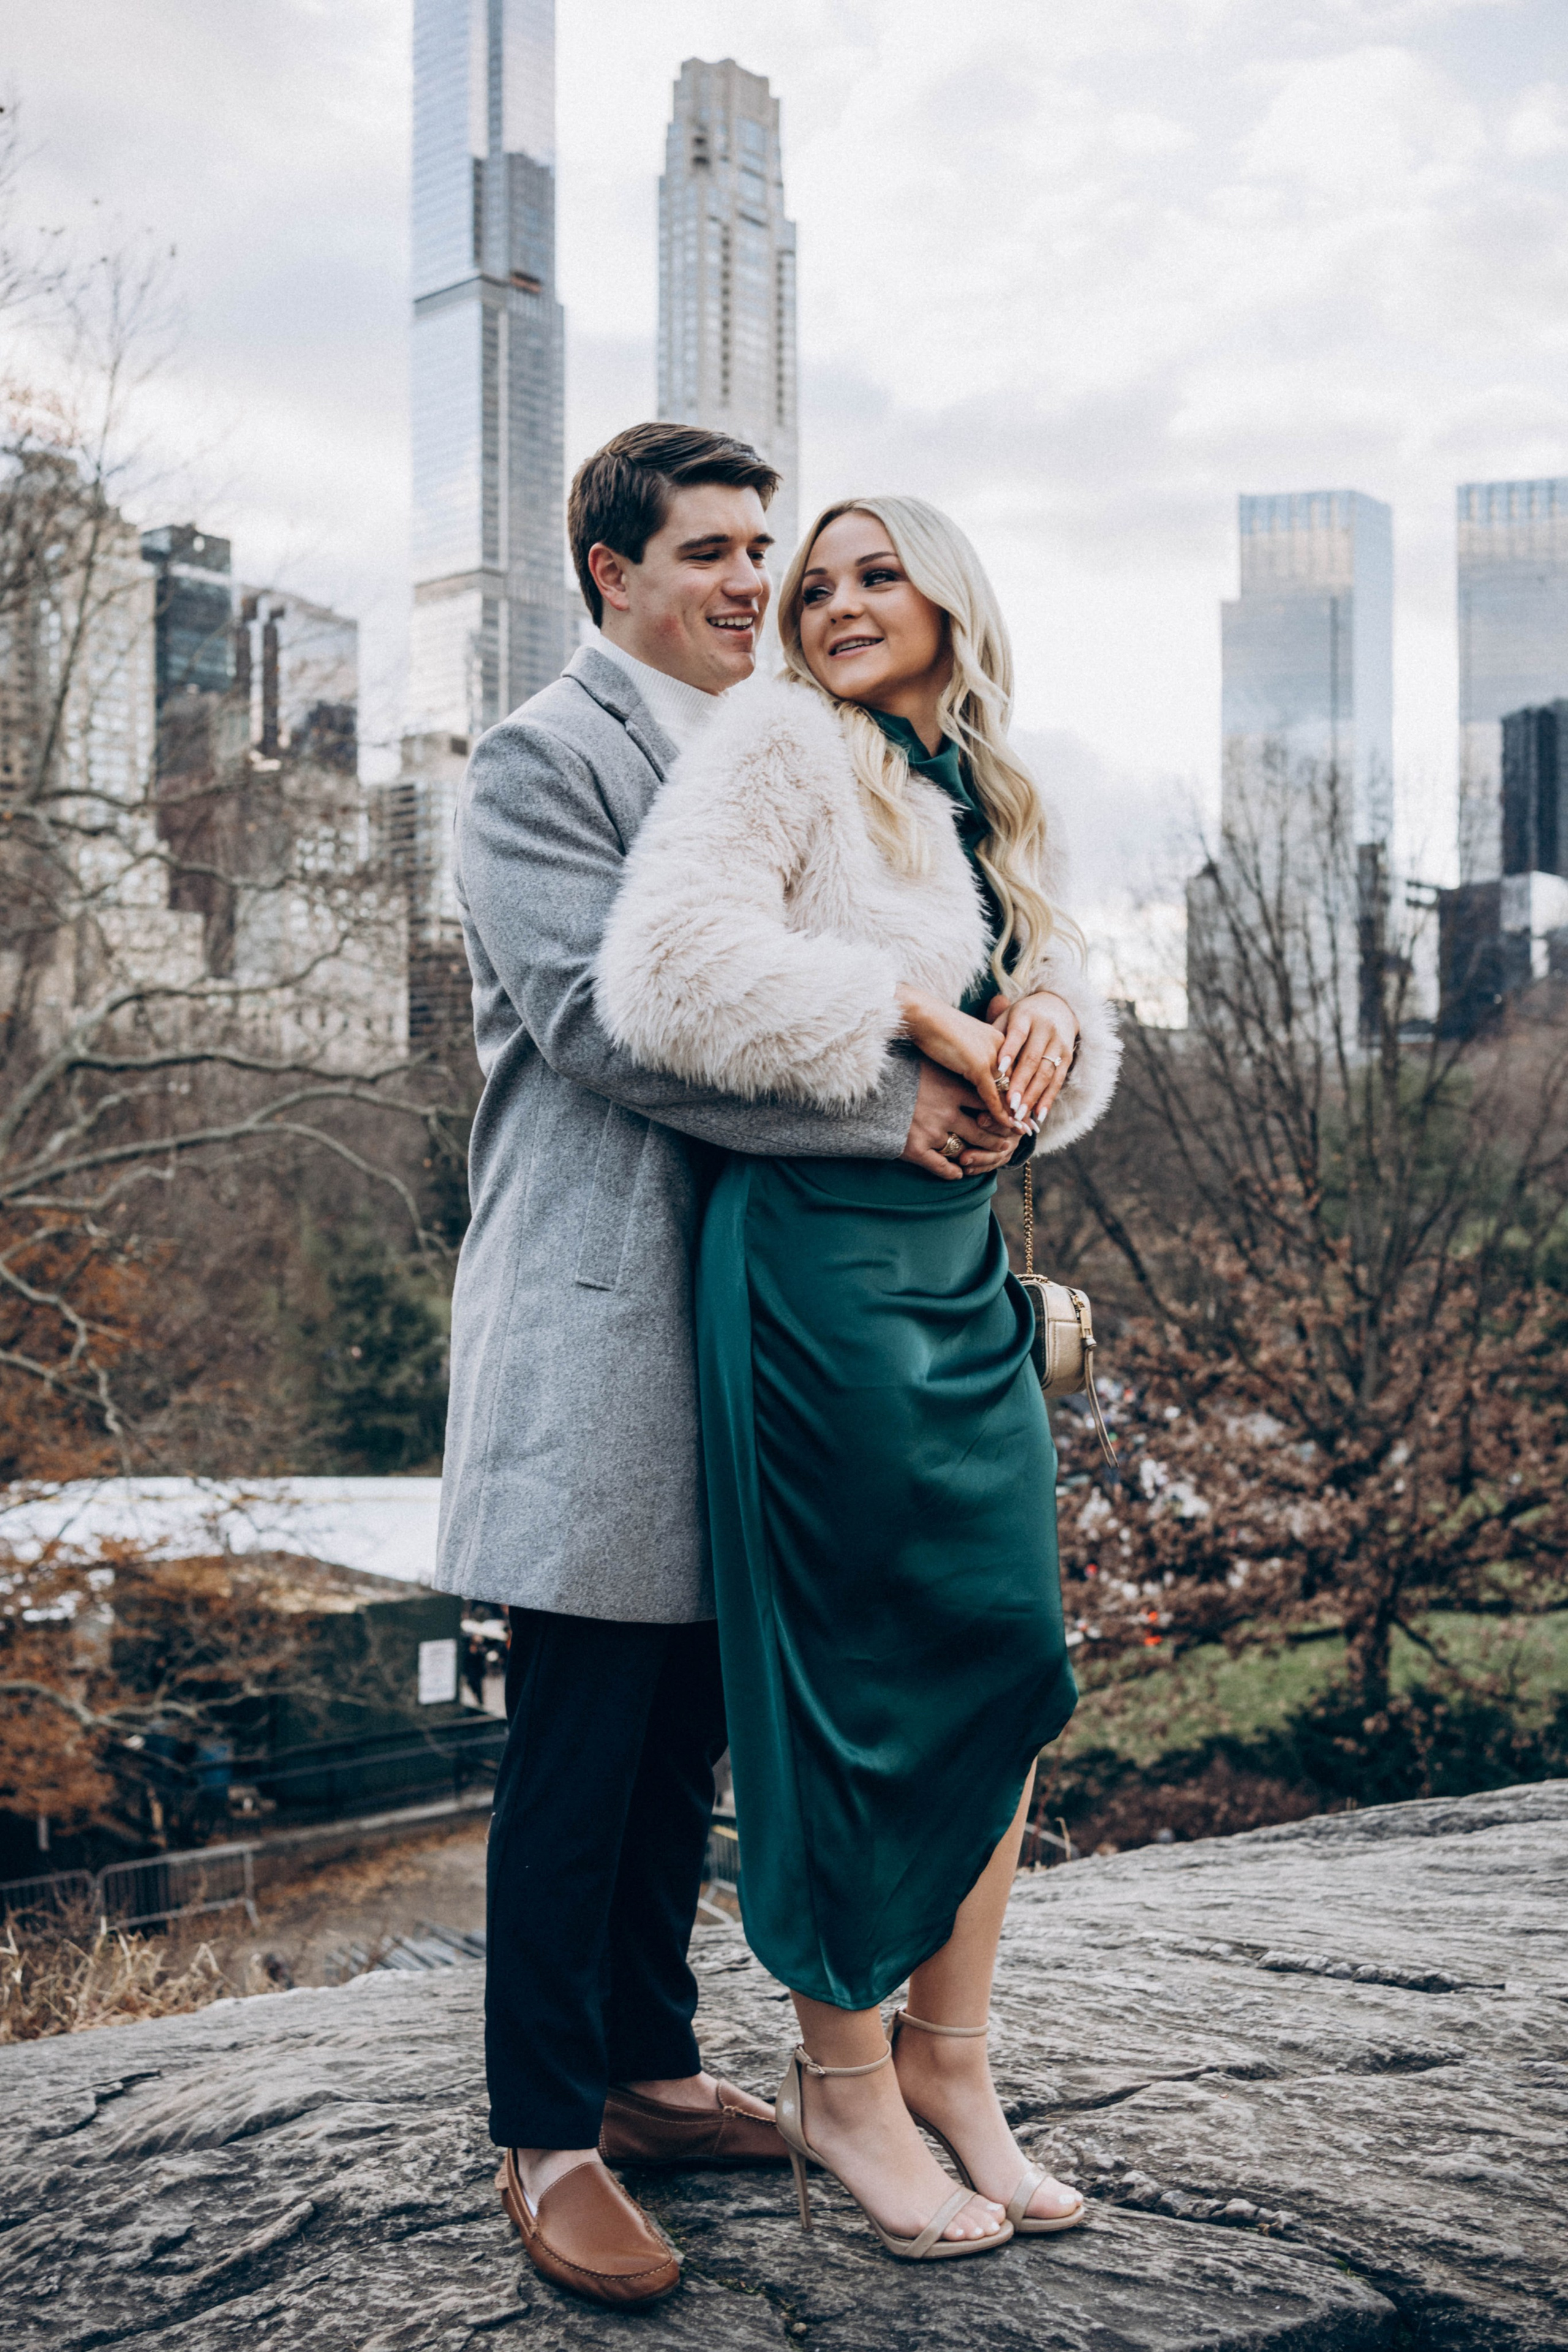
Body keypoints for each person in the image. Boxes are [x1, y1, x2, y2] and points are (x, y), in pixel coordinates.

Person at [432, 430, 1022, 2309]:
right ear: (608, 574)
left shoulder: (774, 745)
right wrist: (899, 1101)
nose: (753, 581)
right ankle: (547, 2131)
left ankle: (653, 2061)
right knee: (585, 1734)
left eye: (766, 544)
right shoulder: (541, 762)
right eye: (708, 550)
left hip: (770, 1328)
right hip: (608, 1313)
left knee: (695, 1722)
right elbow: (610, 1024)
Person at [597, 494, 1120, 2261]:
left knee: (1004, 1654)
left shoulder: (987, 785)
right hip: (815, 1261)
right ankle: (844, 2090)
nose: (825, 605)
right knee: (846, 1684)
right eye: (807, 585)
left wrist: (1053, 1023)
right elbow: (662, 972)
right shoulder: (778, 743)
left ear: (950, 599)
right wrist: (913, 1014)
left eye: (871, 574)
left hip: (954, 1272)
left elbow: (1058, 1014)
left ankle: (952, 2065)